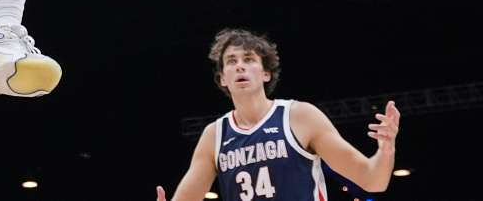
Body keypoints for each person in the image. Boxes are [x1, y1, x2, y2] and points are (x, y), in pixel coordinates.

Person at [156, 29, 401, 201]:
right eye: (231, 61)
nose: (239, 65)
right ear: (223, 78)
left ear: (266, 74)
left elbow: (373, 181)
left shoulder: (300, 116)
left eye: (248, 59)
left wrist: (386, 148)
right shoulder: (214, 136)